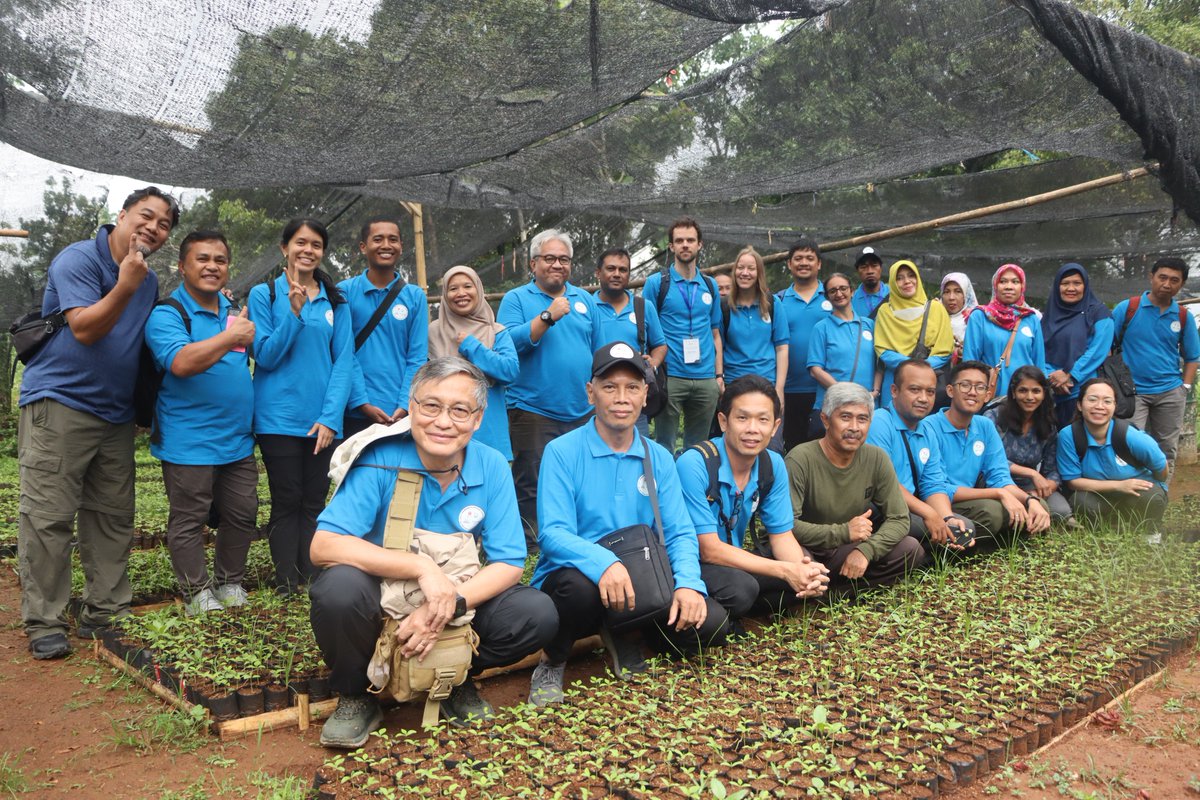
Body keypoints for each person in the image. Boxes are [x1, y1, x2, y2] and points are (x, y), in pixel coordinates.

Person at [309, 358, 557, 746]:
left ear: (478, 418)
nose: (444, 421)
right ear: (412, 405)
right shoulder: (381, 457)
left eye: (460, 410)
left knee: (535, 612)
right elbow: (324, 545)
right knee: (337, 589)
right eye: (431, 406)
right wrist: (421, 566)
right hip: (383, 599)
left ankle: (455, 679)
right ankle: (356, 693)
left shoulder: (490, 465)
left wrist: (446, 605)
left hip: (453, 598)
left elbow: (509, 562)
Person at [17, 186, 178, 660]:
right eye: (145, 216)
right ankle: (45, 619)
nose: (153, 227)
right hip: (60, 403)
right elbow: (85, 328)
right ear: (122, 215)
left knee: (111, 515)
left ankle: (105, 611)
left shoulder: (147, 280)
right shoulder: (79, 260)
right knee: (48, 516)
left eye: (164, 223)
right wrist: (125, 283)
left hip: (114, 414)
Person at [528, 343, 730, 706]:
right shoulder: (563, 452)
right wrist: (604, 563)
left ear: (645, 394)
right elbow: (552, 534)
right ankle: (553, 659)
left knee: (711, 625)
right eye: (610, 387)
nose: (622, 397)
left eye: (632, 387)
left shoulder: (659, 457)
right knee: (578, 590)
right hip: (578, 577)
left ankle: (628, 633)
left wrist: (688, 584)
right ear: (591, 393)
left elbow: (680, 531)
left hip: (641, 575)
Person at [144, 230, 258, 614]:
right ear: (182, 266)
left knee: (242, 513)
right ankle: (197, 592)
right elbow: (181, 363)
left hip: (237, 439)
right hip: (187, 438)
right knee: (189, 518)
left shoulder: (230, 312)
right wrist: (231, 338)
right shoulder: (167, 313)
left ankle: (230, 583)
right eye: (203, 259)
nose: (212, 266)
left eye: (220, 260)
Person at [249, 218, 354, 595]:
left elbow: (343, 362)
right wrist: (292, 314)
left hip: (321, 421)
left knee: (313, 500)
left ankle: (310, 575)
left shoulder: (334, 299)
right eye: (300, 243)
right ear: (284, 248)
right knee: (286, 498)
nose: (308, 250)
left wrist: (330, 417)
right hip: (278, 418)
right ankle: (285, 581)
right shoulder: (266, 295)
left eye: (316, 245)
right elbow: (265, 355)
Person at [676, 376, 829, 620]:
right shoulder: (695, 464)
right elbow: (708, 550)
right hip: (692, 563)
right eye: (742, 418)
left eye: (763, 419)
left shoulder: (772, 463)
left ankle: (743, 606)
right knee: (742, 589)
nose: (753, 429)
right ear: (723, 421)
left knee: (807, 572)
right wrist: (785, 570)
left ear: (775, 426)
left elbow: (781, 536)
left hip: (733, 558)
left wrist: (802, 571)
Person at [497, 229, 601, 547]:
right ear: (533, 263)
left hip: (582, 409)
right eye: (549, 258)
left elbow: (598, 351)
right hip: (532, 408)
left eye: (564, 259)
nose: (557, 264)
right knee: (532, 480)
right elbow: (507, 344)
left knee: (581, 477)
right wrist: (547, 316)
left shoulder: (584, 300)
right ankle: (531, 542)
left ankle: (579, 536)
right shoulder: (516, 299)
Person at [786, 382, 926, 593]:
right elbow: (787, 527)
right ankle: (821, 591)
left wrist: (866, 550)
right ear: (825, 420)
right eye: (845, 417)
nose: (854, 427)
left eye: (862, 419)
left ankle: (836, 594)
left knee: (910, 549)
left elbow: (899, 518)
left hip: (844, 549)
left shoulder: (876, 457)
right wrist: (843, 532)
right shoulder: (800, 459)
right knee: (803, 565)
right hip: (807, 549)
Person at [921, 360, 1052, 545]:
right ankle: (979, 542)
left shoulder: (985, 426)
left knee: (1038, 504)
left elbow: (1000, 477)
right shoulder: (929, 427)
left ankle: (1007, 538)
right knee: (993, 512)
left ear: (988, 395)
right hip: (939, 503)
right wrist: (997, 493)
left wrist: (1029, 499)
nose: (972, 392)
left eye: (980, 387)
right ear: (950, 390)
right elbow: (938, 487)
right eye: (965, 385)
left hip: (969, 500)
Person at [866, 360, 975, 553]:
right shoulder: (879, 422)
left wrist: (946, 517)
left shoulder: (927, 430)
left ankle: (927, 552)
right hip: (882, 508)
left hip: (911, 507)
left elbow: (932, 483)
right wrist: (930, 514)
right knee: (935, 530)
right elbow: (884, 485)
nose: (924, 398)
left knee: (963, 527)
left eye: (930, 392)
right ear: (894, 391)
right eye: (915, 390)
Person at [339, 217, 429, 439]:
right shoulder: (344, 292)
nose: (386, 245)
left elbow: (416, 357)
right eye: (377, 239)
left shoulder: (415, 296)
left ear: (401, 246)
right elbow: (343, 352)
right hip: (354, 411)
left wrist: (405, 404)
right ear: (363, 247)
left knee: (401, 473)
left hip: (400, 413)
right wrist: (361, 402)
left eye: (393, 240)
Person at [1112, 258, 1200, 480]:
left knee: (1166, 449)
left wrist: (1185, 387)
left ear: (1181, 284)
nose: (1167, 284)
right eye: (1162, 277)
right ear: (1152, 277)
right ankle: (1131, 495)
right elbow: (1106, 347)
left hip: (1170, 392)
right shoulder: (1128, 308)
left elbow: (1192, 357)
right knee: (1130, 444)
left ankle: (1159, 495)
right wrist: (1112, 383)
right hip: (1132, 393)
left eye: (1174, 280)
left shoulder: (1182, 316)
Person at [642, 218, 723, 452]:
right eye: (679, 241)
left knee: (698, 448)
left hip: (706, 376)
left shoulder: (710, 285)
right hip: (670, 375)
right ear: (671, 247)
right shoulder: (657, 283)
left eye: (690, 240)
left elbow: (715, 333)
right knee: (664, 445)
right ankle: (667, 489)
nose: (685, 245)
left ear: (700, 245)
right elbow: (645, 330)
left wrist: (718, 376)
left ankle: (693, 489)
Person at [1056, 377, 1168, 535]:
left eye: (1107, 401)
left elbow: (1162, 469)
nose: (1099, 406)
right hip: (1100, 495)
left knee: (1151, 498)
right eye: (1092, 399)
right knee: (1080, 501)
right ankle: (1107, 532)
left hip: (1136, 494)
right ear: (1080, 405)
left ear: (1114, 407)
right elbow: (1073, 481)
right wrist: (1120, 485)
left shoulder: (1131, 436)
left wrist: (1147, 487)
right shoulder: (1068, 436)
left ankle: (1150, 533)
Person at [428, 265, 518, 459]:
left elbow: (510, 371)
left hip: (490, 435)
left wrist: (472, 346)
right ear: (445, 294)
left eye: (468, 286)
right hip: (444, 433)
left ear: (478, 289)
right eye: (453, 289)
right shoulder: (433, 333)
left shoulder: (496, 331)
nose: (461, 293)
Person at [984, 365, 1074, 525]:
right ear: (1013, 393)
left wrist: (1043, 489)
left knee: (1060, 512)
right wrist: (1032, 474)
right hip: (996, 482)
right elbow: (987, 459)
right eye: (1023, 390)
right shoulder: (994, 416)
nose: (1030, 397)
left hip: (1029, 486)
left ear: (1044, 393)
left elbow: (1052, 469)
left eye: (1036, 391)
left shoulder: (1048, 423)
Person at [592, 247, 667, 437]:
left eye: (623, 270)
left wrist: (653, 364)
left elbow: (660, 345)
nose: (617, 274)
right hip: (597, 393)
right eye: (611, 268)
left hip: (633, 396)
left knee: (636, 449)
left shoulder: (643, 306)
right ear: (598, 273)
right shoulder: (587, 306)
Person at [722, 247, 789, 447]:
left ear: (759, 272)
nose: (745, 273)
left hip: (767, 384)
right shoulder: (724, 306)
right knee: (737, 443)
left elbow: (782, 347)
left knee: (771, 445)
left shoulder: (772, 303)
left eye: (751, 268)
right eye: (740, 267)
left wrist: (780, 388)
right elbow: (718, 345)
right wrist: (719, 380)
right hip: (734, 385)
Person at [776, 237, 833, 452]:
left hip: (826, 388)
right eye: (798, 258)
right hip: (789, 389)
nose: (804, 262)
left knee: (826, 447)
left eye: (810, 258)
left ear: (819, 264)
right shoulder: (778, 300)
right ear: (789, 264)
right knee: (792, 447)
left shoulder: (834, 296)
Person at [1040, 263, 1114, 428]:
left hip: (1085, 393)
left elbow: (1098, 351)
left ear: (1085, 286)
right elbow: (1037, 350)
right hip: (1050, 394)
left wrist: (1070, 375)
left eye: (1077, 283)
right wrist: (1051, 377)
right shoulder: (1047, 317)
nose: (1070, 288)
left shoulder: (1099, 313)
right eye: (1065, 283)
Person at [874, 260, 953, 409]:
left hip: (928, 382)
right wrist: (912, 366)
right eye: (899, 278)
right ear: (892, 282)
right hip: (896, 380)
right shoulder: (885, 312)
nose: (907, 281)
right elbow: (882, 350)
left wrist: (918, 368)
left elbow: (945, 350)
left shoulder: (936, 309)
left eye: (911, 275)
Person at [808, 272, 878, 436]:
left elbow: (879, 362)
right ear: (827, 296)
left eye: (843, 288)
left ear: (852, 291)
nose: (839, 294)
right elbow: (815, 370)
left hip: (865, 404)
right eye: (833, 291)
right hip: (833, 404)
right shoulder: (821, 327)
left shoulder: (869, 324)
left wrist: (875, 391)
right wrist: (844, 393)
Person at [962, 264, 1045, 398]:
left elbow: (1039, 363)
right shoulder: (980, 316)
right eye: (1003, 281)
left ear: (1022, 286)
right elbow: (969, 361)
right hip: (992, 396)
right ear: (995, 285)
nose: (1008, 286)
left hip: (1025, 398)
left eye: (1015, 282)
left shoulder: (1031, 319)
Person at [939, 272, 978, 363]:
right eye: (947, 292)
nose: (951, 297)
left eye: (958, 291)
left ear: (966, 295)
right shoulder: (934, 318)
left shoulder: (975, 321)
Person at [851, 247, 889, 318]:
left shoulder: (894, 294)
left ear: (881, 268)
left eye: (874, 265)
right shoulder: (850, 300)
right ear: (857, 271)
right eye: (863, 267)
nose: (870, 271)